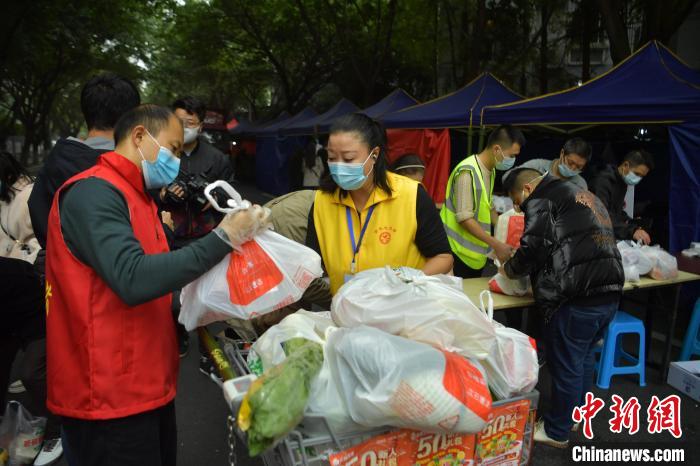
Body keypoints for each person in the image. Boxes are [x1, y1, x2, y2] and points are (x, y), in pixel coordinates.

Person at [45, 104, 269, 466]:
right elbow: (133, 278)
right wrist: (224, 238)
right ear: (139, 137)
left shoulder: (139, 197)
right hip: (106, 397)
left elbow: (163, 276)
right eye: (173, 148)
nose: (177, 161)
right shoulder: (94, 193)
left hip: (146, 385)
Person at [500, 168, 624, 449]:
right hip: (610, 291)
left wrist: (510, 269)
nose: (518, 206)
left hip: (577, 296)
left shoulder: (544, 198)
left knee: (566, 364)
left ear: (526, 189)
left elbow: (534, 246)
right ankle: (575, 415)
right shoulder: (584, 195)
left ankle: (557, 431)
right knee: (585, 357)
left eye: (516, 199)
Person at [305, 113, 452, 295]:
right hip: (348, 312)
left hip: (403, 310)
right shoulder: (322, 202)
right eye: (332, 158)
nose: (339, 166)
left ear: (374, 154)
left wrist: (407, 283)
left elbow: (443, 257)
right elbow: (308, 264)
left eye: (349, 158)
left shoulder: (411, 195)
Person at [157, 96, 234, 358]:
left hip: (205, 236)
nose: (184, 127)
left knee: (208, 299)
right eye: (179, 121)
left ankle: (209, 349)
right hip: (170, 237)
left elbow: (230, 197)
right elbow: (146, 192)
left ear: (201, 125)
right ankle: (178, 335)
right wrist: (165, 196)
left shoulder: (217, 158)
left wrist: (212, 200)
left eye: (190, 122)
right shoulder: (160, 154)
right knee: (172, 299)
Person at [29, 73, 141, 250]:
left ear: (86, 111)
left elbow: (39, 213)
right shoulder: (131, 169)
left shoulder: (55, 163)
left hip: (60, 270)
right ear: (132, 117)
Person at [0, 153, 62, 466]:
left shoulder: (28, 196)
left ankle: (57, 429)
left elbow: (45, 238)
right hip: (10, 295)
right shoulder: (4, 197)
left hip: (32, 290)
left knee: (34, 372)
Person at [441, 125, 525, 278]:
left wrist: (507, 230)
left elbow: (488, 206)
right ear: (496, 149)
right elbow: (464, 218)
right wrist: (497, 244)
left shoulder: (489, 170)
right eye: (511, 155)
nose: (513, 160)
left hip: (474, 256)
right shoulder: (467, 172)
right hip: (455, 253)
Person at [588, 149, 655, 245]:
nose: (638, 179)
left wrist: (629, 221)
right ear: (626, 165)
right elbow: (601, 216)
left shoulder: (621, 182)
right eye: (637, 174)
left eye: (642, 176)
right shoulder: (602, 182)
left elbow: (615, 210)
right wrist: (632, 231)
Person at [502, 137, 591, 190]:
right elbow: (506, 177)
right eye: (570, 162)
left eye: (579, 167)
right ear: (562, 153)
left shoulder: (580, 184)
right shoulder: (537, 166)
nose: (572, 168)